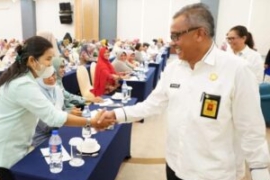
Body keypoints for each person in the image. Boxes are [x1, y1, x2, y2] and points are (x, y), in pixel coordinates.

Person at [99, 3, 270, 180]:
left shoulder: (237, 70)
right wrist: (116, 115)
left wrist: (260, 173)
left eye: (176, 35)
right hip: (175, 167)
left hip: (214, 174)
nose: (172, 42)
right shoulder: (174, 70)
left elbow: (251, 130)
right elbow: (152, 105)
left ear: (199, 34)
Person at [0, 36, 114, 180]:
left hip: (13, 146)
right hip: (2, 151)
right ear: (32, 60)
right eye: (48, 59)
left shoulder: (24, 79)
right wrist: (91, 122)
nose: (51, 65)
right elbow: (53, 117)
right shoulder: (22, 84)